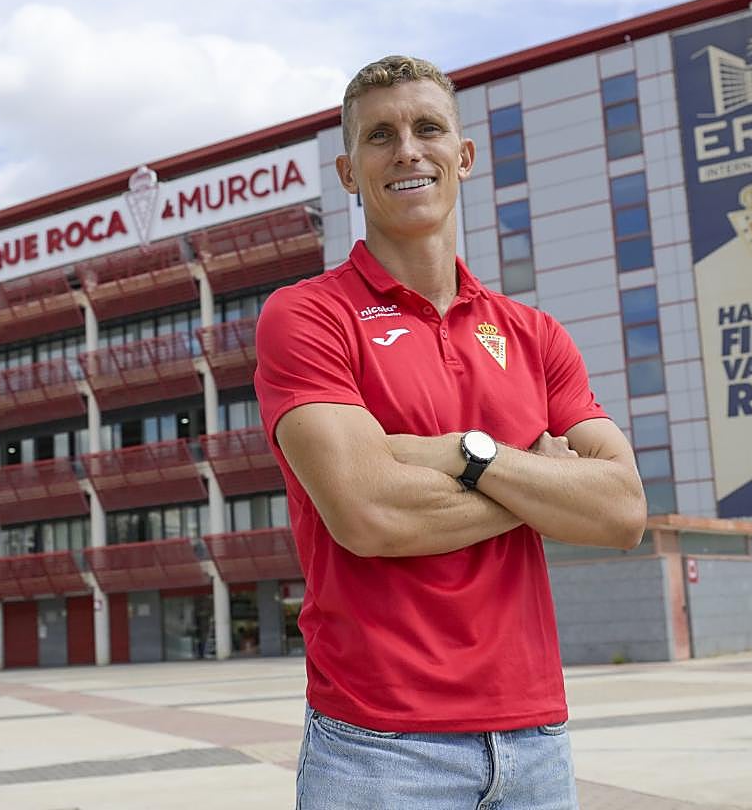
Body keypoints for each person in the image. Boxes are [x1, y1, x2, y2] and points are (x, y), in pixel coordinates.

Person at [253, 55, 648, 809]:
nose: (407, 150)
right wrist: (542, 481)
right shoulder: (307, 316)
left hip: (536, 743)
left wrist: (464, 455)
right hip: (379, 747)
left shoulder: (535, 335)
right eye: (380, 135)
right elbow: (370, 515)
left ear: (462, 156)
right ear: (348, 171)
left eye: (428, 128)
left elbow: (623, 511)